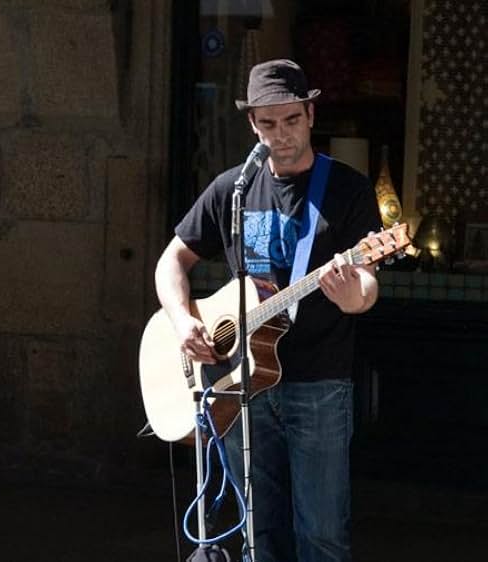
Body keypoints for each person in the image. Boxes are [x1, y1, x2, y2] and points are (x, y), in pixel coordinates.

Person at [154, 59, 380, 562]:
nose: (281, 135)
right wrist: (182, 318)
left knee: (321, 535)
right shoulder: (233, 189)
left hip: (318, 386)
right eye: (268, 124)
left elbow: (366, 284)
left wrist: (353, 296)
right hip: (242, 383)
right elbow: (172, 259)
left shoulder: (347, 189)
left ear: (311, 113)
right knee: (259, 532)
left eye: (291, 120)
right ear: (253, 124)